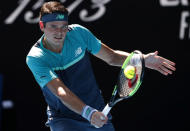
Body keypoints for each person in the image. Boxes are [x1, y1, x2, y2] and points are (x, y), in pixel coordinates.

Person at [26, 1, 176, 131]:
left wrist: (142, 60)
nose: (59, 32)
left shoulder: (79, 33)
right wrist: (88, 113)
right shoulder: (35, 57)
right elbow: (61, 92)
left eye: (63, 26)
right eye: (53, 26)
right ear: (42, 26)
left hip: (98, 112)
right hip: (64, 119)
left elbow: (111, 57)